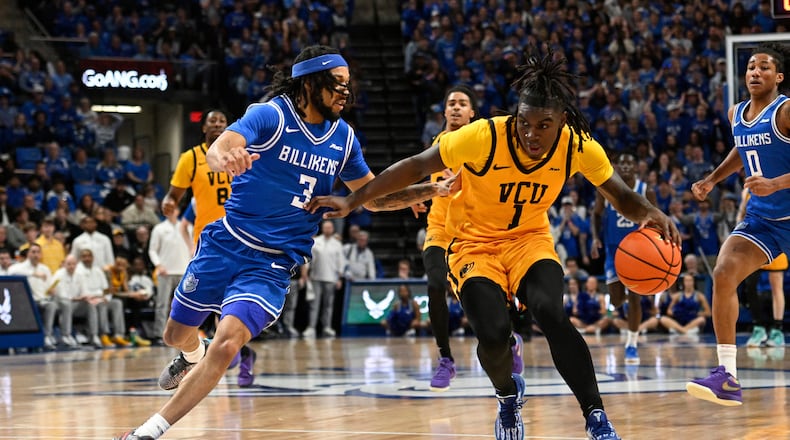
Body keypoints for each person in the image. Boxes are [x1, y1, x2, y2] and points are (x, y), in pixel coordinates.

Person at [307, 50, 679, 440]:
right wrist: (353, 200)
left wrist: (650, 212)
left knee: (551, 311)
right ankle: (507, 397)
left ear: (562, 123)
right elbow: (416, 165)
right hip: (473, 246)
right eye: (525, 123)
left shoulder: (577, 146)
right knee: (493, 334)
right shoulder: (484, 136)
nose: (531, 134)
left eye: (543, 126)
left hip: (529, 241)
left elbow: (619, 194)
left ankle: (596, 416)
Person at [114, 45, 452, 440]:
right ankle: (192, 353)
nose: (345, 92)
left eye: (348, 85)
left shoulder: (343, 138)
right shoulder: (271, 115)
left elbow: (370, 196)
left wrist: (426, 190)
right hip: (226, 243)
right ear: (310, 83)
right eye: (338, 84)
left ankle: (148, 432)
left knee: (227, 346)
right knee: (173, 334)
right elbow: (222, 146)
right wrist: (225, 159)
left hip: (272, 264)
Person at [686, 43, 790, 407]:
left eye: (764, 67)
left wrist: (776, 183)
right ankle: (727, 376)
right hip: (763, 219)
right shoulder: (737, 113)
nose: (755, 72)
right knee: (724, 272)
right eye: (750, 66)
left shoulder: (787, 110)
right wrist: (713, 179)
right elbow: (741, 149)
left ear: (779, 77)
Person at [421, 84, 525, 391]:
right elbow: (420, 170)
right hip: (440, 229)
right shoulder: (437, 144)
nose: (455, 107)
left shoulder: (483, 143)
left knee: (481, 299)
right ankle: (446, 360)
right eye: (451, 103)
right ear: (444, 111)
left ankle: (509, 339)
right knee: (435, 284)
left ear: (472, 113)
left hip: (474, 232)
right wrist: (415, 194)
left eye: (462, 103)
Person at [591, 151, 657, 365]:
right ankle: (629, 308)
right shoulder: (606, 187)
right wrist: (594, 238)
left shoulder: (646, 190)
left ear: (637, 167)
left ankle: (631, 344)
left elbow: (656, 218)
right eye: (622, 163)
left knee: (635, 296)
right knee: (618, 299)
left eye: (630, 162)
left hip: (637, 251)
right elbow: (597, 214)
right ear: (617, 167)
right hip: (613, 249)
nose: (626, 166)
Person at [305, 220, 345, 339]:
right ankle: (311, 327)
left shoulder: (337, 244)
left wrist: (339, 278)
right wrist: (306, 273)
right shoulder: (316, 242)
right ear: (323, 228)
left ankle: (326, 327)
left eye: (330, 227)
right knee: (314, 304)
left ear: (332, 229)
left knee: (328, 305)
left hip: (331, 278)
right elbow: (309, 259)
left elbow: (340, 262)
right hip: (316, 277)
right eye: (326, 227)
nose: (328, 229)